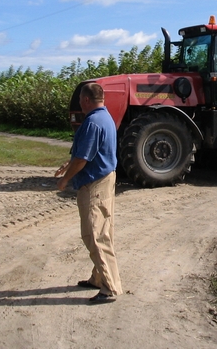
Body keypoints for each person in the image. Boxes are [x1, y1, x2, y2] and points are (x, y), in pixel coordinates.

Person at [55, 83, 122, 304]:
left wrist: (65, 180)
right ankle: (97, 278)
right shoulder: (105, 118)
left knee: (95, 235)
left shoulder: (92, 122)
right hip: (105, 179)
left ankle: (110, 288)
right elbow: (86, 151)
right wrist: (69, 163)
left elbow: (83, 159)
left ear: (85, 100)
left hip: (94, 184)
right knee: (103, 231)